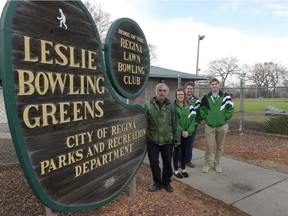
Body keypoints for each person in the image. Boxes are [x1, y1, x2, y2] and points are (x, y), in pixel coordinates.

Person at [144, 83, 180, 192]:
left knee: (167, 163)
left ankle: (166, 182)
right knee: (154, 163)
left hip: (167, 140)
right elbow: (143, 122)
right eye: (160, 90)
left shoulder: (171, 106)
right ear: (156, 91)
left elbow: (175, 123)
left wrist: (177, 139)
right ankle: (157, 183)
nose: (162, 93)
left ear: (167, 92)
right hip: (152, 140)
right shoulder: (148, 105)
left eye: (164, 91)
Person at [199, 78, 234, 173]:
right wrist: (206, 118)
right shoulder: (206, 97)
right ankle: (207, 163)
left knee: (220, 146)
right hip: (209, 125)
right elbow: (201, 109)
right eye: (212, 84)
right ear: (210, 86)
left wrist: (225, 117)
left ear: (218, 85)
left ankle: (217, 163)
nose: (214, 86)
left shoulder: (225, 96)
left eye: (215, 84)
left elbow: (231, 108)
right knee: (209, 145)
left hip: (222, 125)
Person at [173, 88, 196, 178]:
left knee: (184, 151)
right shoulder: (173, 106)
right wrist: (182, 131)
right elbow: (174, 121)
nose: (180, 96)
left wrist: (188, 131)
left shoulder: (189, 106)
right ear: (176, 96)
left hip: (187, 133)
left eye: (182, 94)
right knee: (176, 151)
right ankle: (175, 170)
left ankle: (183, 169)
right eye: (178, 94)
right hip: (178, 134)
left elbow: (193, 118)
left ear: (184, 95)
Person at [179, 81, 202, 168]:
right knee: (180, 143)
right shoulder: (180, 99)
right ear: (185, 89)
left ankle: (188, 160)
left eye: (191, 89)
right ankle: (179, 160)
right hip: (182, 125)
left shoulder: (197, 101)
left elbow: (200, 112)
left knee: (190, 143)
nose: (190, 90)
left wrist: (197, 121)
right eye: (188, 88)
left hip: (193, 126)